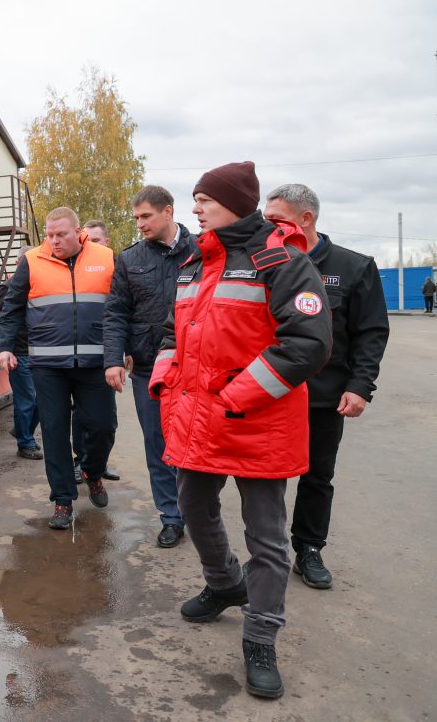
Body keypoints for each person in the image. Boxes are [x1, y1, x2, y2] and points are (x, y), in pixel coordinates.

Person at [151, 162, 331, 699]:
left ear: (236, 203)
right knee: (193, 511)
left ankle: (261, 637)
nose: (196, 209)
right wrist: (164, 382)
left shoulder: (283, 261)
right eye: (195, 199)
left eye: (204, 199)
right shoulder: (194, 262)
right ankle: (225, 584)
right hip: (197, 422)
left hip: (257, 425)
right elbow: (171, 332)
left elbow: (308, 343)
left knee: (268, 540)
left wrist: (235, 398)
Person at [265, 184, 389, 589]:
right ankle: (267, 552)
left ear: (306, 220)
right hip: (271, 392)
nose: (269, 227)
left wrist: (360, 385)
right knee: (266, 476)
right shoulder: (265, 262)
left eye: (277, 219)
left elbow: (370, 333)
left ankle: (308, 548)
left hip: (324, 396)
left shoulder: (353, 267)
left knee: (318, 474)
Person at [0, 207, 117, 530]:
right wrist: (5, 346)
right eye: (49, 235)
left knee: (103, 426)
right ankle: (62, 500)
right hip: (48, 365)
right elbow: (12, 307)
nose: (54, 241)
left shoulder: (106, 258)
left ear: (77, 232)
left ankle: (92, 470)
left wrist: (122, 352)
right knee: (54, 432)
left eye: (61, 234)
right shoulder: (32, 260)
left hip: (95, 362)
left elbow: (120, 308)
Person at [103, 186, 198, 548]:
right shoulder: (130, 260)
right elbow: (116, 313)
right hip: (147, 368)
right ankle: (171, 516)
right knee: (157, 445)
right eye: (136, 218)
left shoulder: (202, 252)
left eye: (146, 216)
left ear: (168, 212)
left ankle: (198, 512)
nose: (140, 223)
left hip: (196, 367)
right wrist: (113, 359)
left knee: (195, 442)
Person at [82, 220, 120, 482]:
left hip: (105, 354)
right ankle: (80, 462)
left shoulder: (116, 268)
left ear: (106, 242)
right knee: (80, 417)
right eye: (87, 240)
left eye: (96, 240)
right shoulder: (77, 270)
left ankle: (98, 462)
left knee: (106, 421)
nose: (90, 245)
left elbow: (121, 311)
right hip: (80, 355)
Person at [0, 273, 42, 460]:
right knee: (27, 399)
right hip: (19, 353)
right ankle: (25, 443)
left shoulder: (38, 284)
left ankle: (22, 430)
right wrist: (7, 349)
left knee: (44, 400)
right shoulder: (7, 288)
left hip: (39, 352)